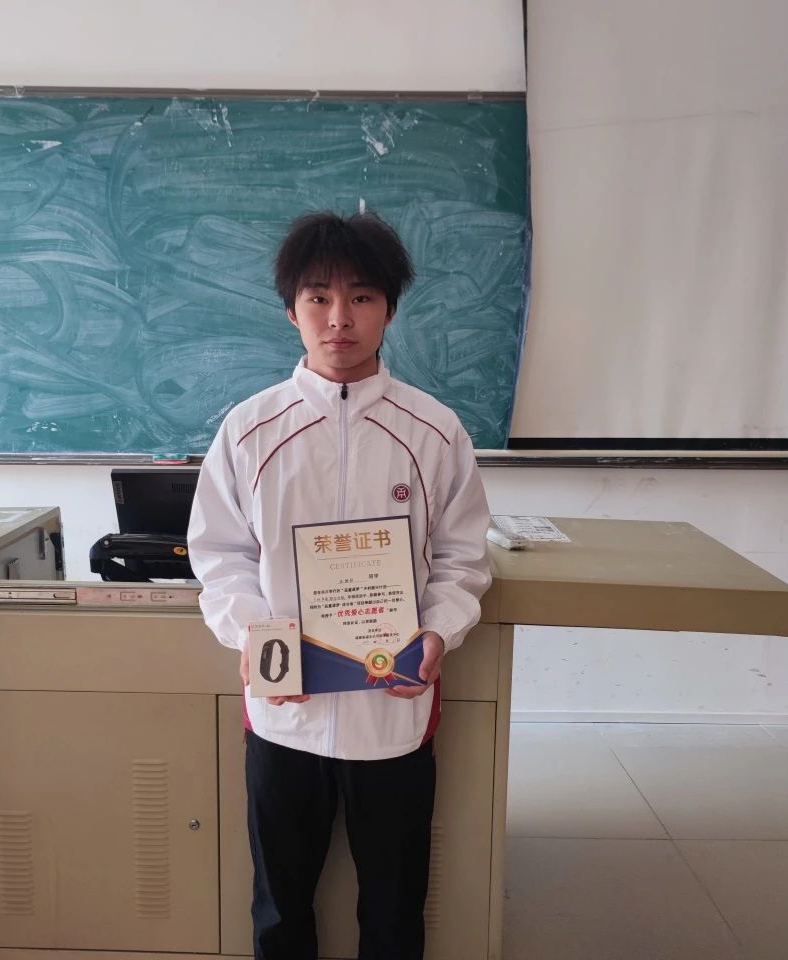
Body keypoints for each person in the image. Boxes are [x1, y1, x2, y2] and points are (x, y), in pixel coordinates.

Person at [187, 210, 491, 960]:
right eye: (318, 297)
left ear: (389, 309)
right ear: (291, 310)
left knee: (393, 908)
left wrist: (438, 630)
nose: (339, 318)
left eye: (361, 297)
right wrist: (256, 636)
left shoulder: (435, 432)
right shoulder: (250, 430)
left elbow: (462, 557)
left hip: (393, 711)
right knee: (280, 906)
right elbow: (220, 554)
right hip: (283, 715)